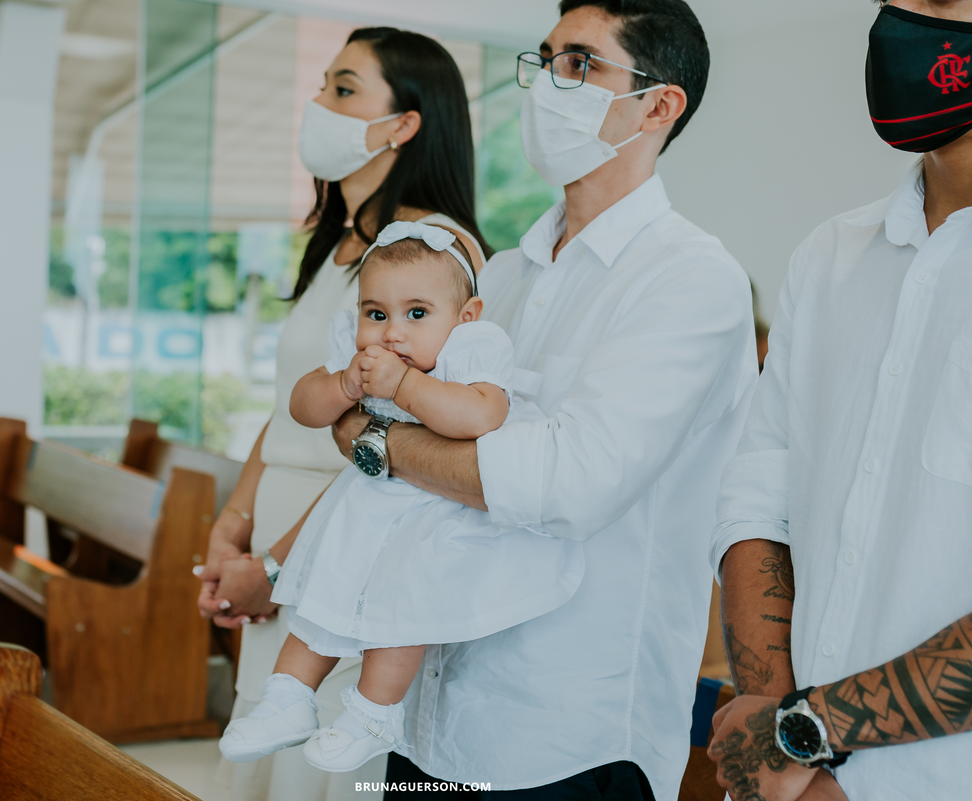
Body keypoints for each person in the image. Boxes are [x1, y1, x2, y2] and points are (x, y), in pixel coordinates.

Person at [310, 1, 753, 797]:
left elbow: (563, 486)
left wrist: (377, 444)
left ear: (659, 104)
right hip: (426, 708)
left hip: (565, 731)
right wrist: (409, 437)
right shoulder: (502, 278)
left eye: (581, 64)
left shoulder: (691, 279)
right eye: (547, 60)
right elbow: (386, 416)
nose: (551, 83)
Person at [707, 2, 972, 800]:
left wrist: (805, 731)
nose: (907, 21)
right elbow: (758, 497)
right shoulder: (832, 255)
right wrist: (776, 726)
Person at [195, 27, 490, 801]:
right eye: (323, 84)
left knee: (321, 768)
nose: (317, 103)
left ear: (405, 124)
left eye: (344, 89)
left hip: (353, 542)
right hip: (278, 531)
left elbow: (403, 441)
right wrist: (234, 522)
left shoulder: (432, 255)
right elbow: (293, 398)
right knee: (262, 752)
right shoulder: (338, 246)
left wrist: (282, 564)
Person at [219, 221, 582, 773]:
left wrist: (403, 388)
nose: (391, 333)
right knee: (322, 594)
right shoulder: (358, 356)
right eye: (376, 313)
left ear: (465, 318)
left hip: (435, 511)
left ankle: (373, 712)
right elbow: (302, 408)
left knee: (401, 608)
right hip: (365, 505)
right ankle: (287, 698)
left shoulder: (473, 352)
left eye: (416, 314)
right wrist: (343, 384)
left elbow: (483, 416)